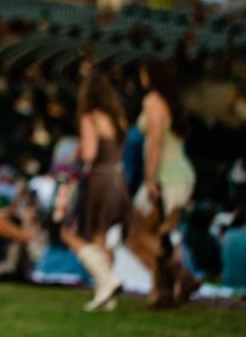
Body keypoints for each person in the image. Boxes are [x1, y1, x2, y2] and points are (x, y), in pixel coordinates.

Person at [127, 57, 199, 307]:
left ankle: (177, 275)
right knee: (159, 232)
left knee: (135, 232)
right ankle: (162, 289)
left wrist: (150, 178)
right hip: (182, 176)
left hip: (164, 176)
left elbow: (155, 141)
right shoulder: (173, 102)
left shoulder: (152, 101)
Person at [58, 69, 131, 311]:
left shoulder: (90, 117)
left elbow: (89, 154)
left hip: (99, 180)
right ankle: (105, 295)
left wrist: (76, 152)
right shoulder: (118, 117)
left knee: (76, 233)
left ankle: (107, 280)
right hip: (118, 179)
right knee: (102, 236)